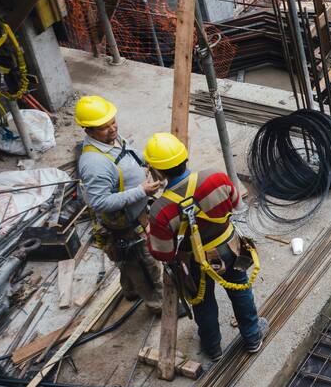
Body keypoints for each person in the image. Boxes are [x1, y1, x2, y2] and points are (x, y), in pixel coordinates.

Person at [144, 133, 266, 361]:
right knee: (240, 291)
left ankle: (213, 348)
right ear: (185, 157)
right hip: (230, 249)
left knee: (203, 303)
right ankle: (252, 337)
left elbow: (163, 253)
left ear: (157, 171)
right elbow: (235, 204)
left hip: (195, 262)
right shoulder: (215, 178)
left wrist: (151, 234)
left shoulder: (161, 210)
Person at [74, 95, 163, 311]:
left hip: (136, 215)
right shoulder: (94, 164)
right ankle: (158, 304)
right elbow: (100, 202)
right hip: (126, 226)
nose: (112, 129)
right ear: (88, 131)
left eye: (113, 122)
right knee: (145, 266)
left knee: (128, 263)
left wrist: (147, 159)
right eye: (104, 127)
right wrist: (141, 191)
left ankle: (130, 290)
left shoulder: (109, 139)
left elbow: (127, 153)